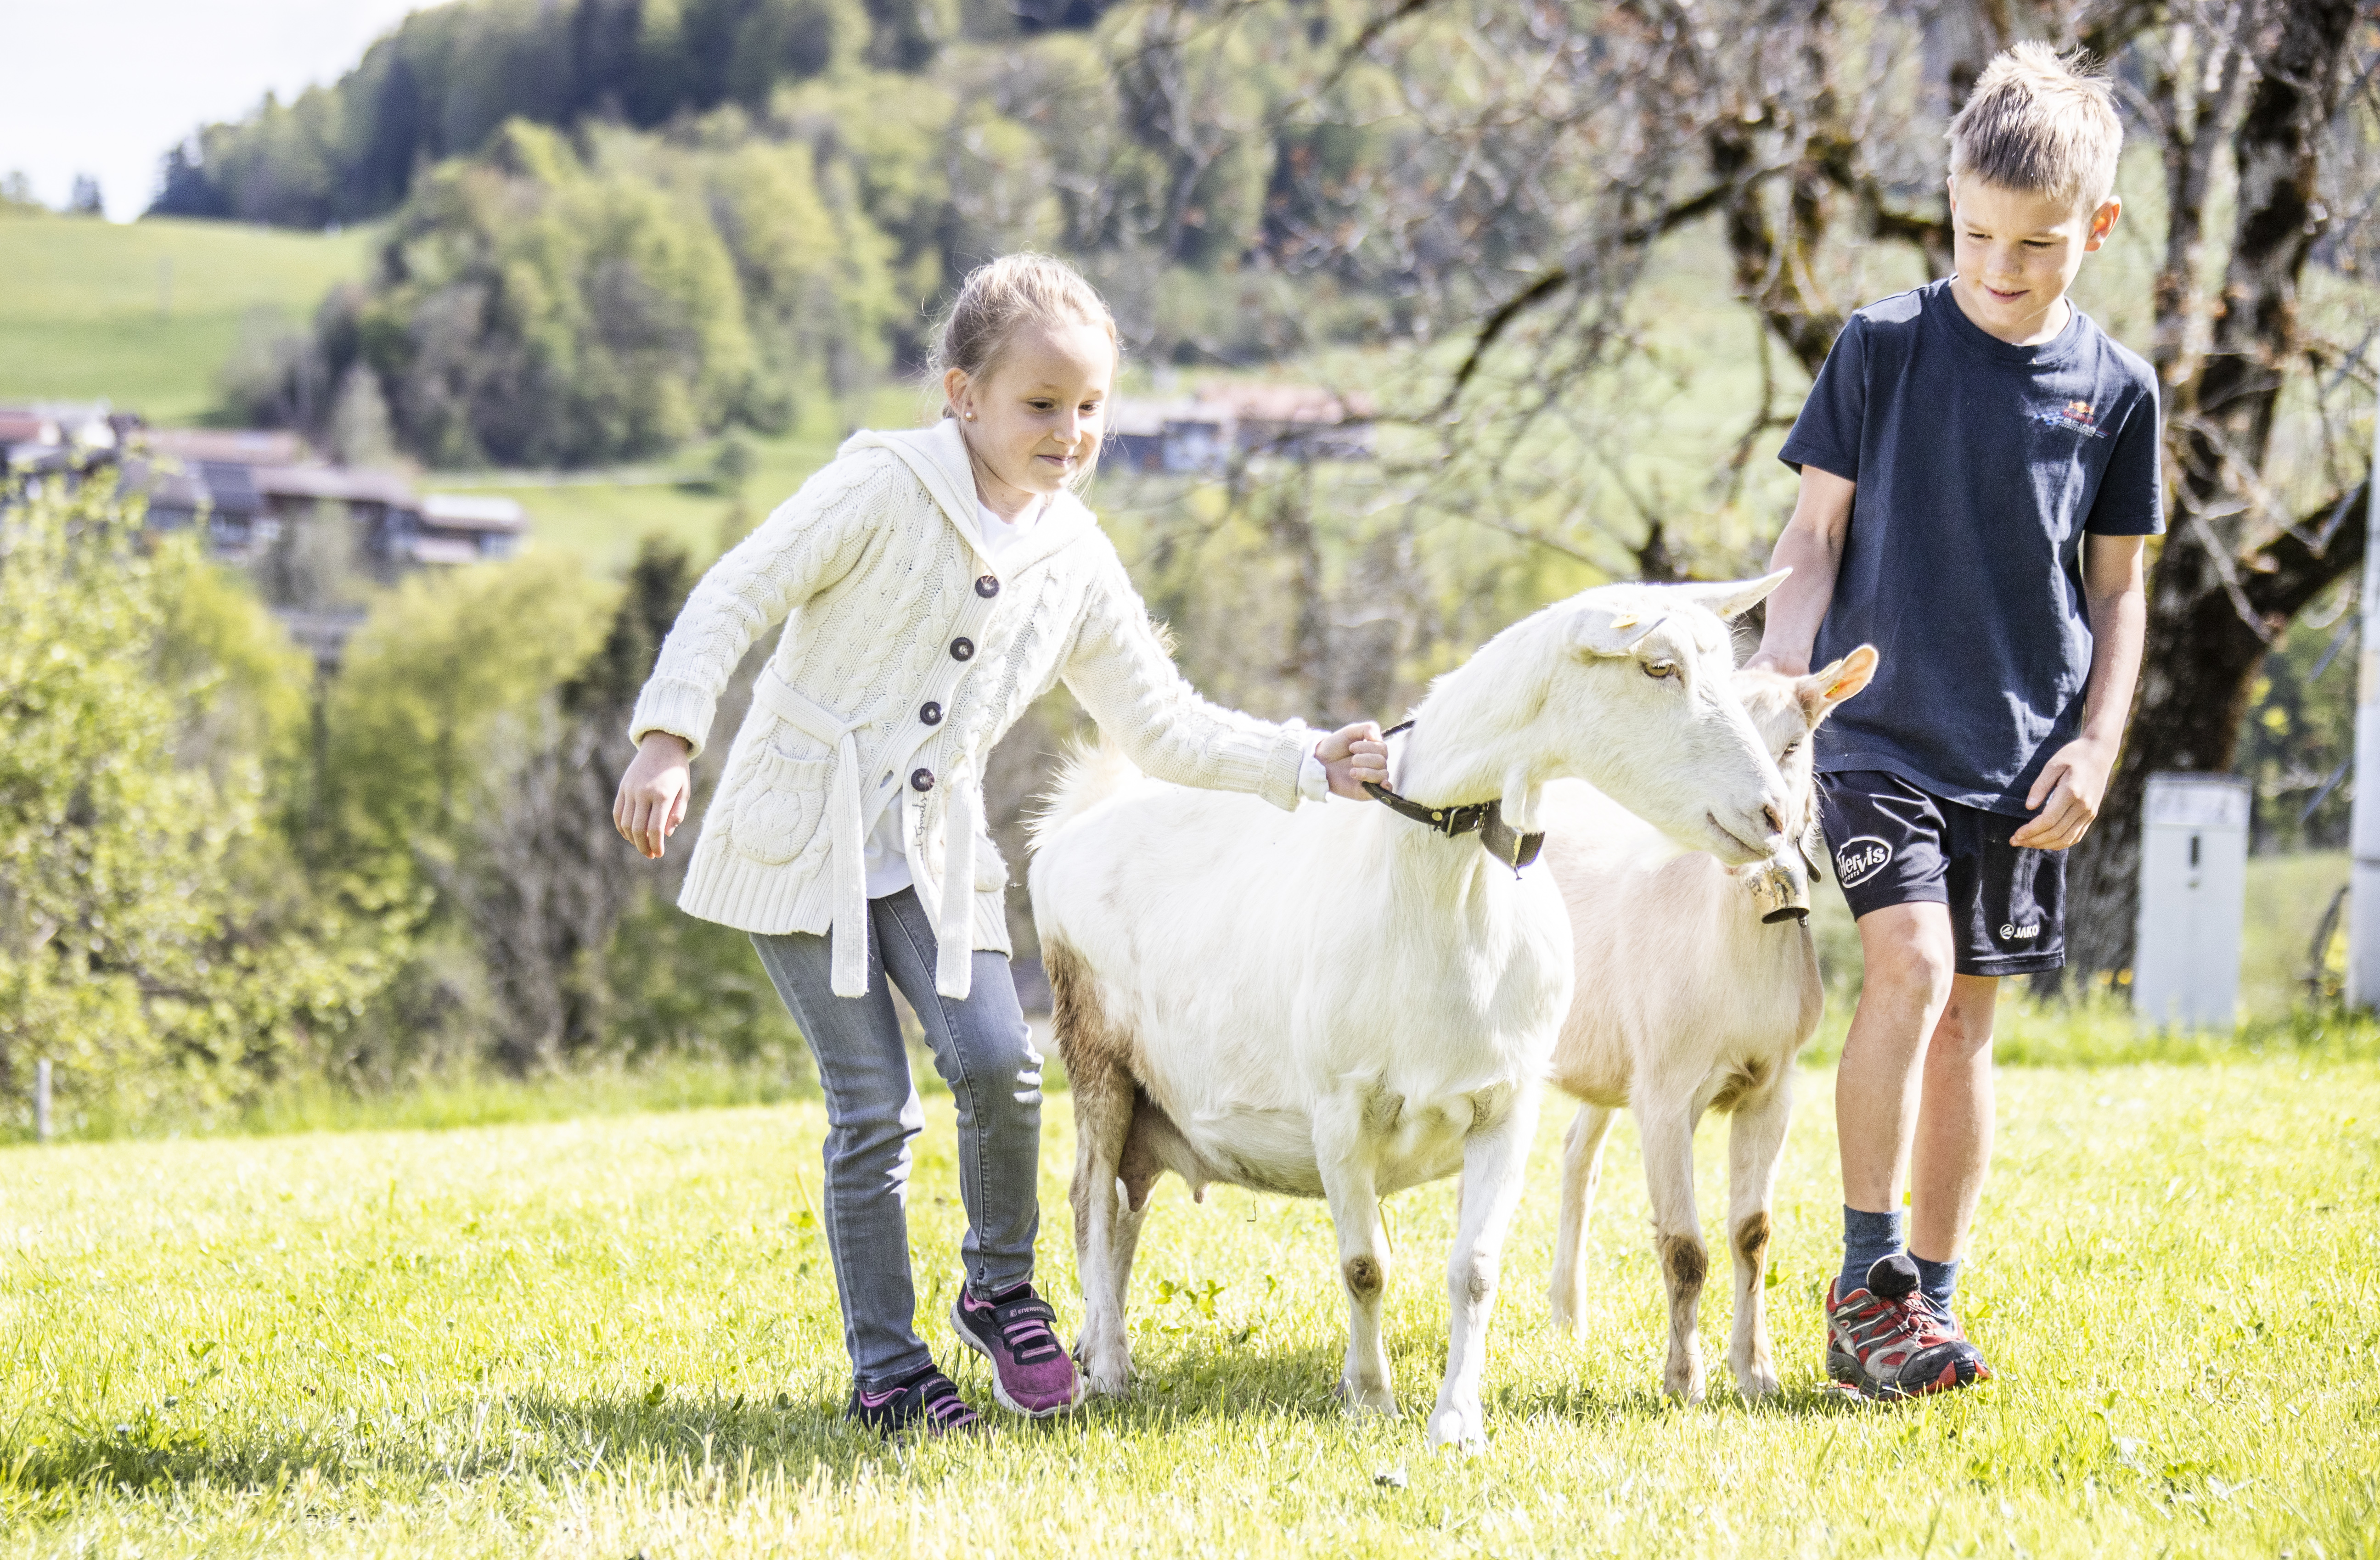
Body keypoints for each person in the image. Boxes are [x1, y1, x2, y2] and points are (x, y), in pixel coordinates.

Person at [612, 253, 1390, 1437]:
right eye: (1041, 405)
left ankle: (1000, 1288)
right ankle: (886, 1369)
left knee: (999, 1060)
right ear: (960, 394)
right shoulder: (881, 487)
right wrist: (669, 736)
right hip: (797, 839)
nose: (1070, 433)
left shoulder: (1074, 559)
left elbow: (1163, 722)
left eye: (1090, 409)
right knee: (874, 1108)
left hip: (934, 850)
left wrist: (1301, 762)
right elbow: (738, 590)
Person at [1746, 43, 2159, 1398]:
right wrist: (1788, 685)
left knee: (1971, 1022)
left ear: (2095, 228)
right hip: (1876, 736)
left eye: (2038, 244)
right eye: (1978, 233)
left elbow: (2119, 593)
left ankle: (1927, 1300)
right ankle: (1867, 1292)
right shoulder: (1881, 346)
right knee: (1911, 971)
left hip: (2026, 754)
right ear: (1948, 202)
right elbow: (1812, 538)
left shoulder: (2119, 394)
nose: (2000, 264)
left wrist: (2096, 745)